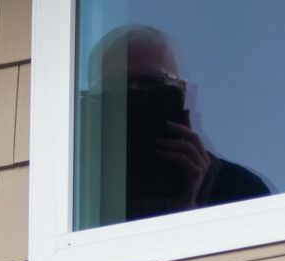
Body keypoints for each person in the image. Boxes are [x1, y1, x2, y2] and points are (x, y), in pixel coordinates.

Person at [90, 24, 269, 221]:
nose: (135, 95)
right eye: (118, 85)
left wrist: (186, 209)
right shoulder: (74, 187)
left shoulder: (239, 191)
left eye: (151, 83)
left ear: (181, 92)